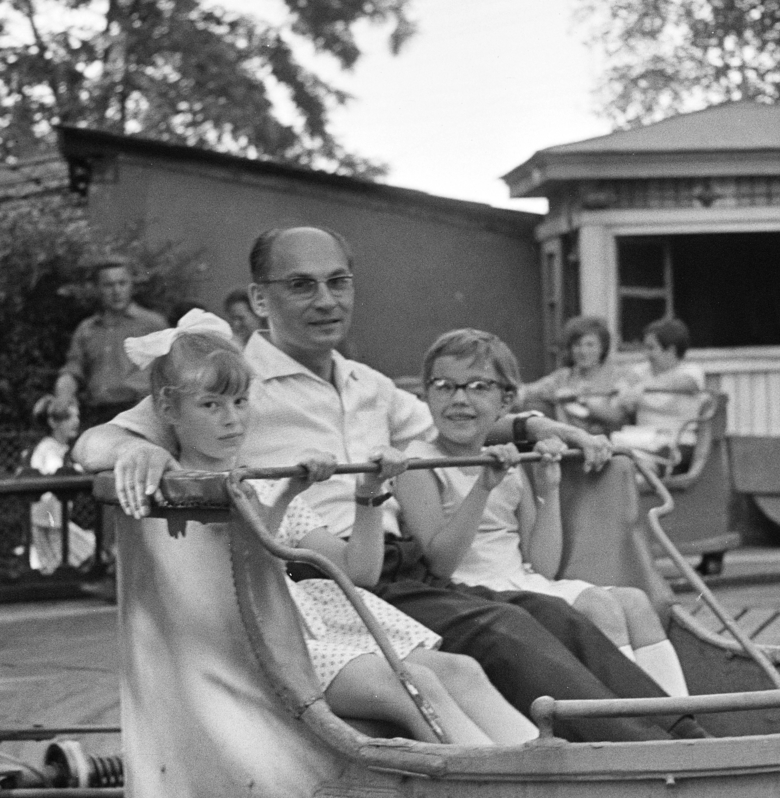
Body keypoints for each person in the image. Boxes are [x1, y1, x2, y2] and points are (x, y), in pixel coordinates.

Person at [78, 225, 708, 744]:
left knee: (545, 613)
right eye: (301, 285)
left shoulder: (367, 383)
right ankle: (641, 754)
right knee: (501, 631)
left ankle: (691, 732)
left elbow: (458, 426)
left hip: (407, 569)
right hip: (332, 578)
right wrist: (136, 452)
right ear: (261, 299)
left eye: (338, 282)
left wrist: (533, 423)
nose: (326, 300)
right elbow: (97, 443)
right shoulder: (231, 387)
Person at [126, 314, 537, 745]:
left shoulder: (261, 481)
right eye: (211, 405)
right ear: (168, 410)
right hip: (241, 641)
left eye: (241, 402)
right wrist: (284, 496)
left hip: (303, 624)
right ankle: (497, 785)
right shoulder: (178, 491)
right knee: (415, 685)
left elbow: (358, 572)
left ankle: (544, 768)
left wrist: (369, 493)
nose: (232, 419)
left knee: (461, 670)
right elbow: (238, 569)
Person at [397, 328, 690, 698]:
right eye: (444, 386)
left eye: (478, 387)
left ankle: (676, 715)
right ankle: (633, 721)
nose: (460, 399)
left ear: (506, 401)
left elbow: (543, 566)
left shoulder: (510, 460)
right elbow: (441, 563)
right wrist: (483, 487)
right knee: (601, 607)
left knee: (635, 602)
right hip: (467, 593)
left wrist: (548, 490)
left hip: (521, 581)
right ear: (426, 396)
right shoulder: (419, 463)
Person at [53, 260, 169, 428]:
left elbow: (171, 371)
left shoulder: (153, 324)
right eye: (108, 285)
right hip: (97, 416)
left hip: (139, 415)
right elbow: (73, 369)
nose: (116, 291)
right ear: (98, 289)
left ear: (132, 286)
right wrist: (62, 394)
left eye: (122, 283)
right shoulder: (87, 329)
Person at [602, 317, 708, 470]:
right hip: (641, 439)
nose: (646, 354)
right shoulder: (640, 371)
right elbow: (621, 393)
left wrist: (640, 388)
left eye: (651, 348)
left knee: (642, 466)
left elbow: (684, 384)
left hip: (677, 442)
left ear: (671, 350)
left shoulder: (691, 371)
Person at [517, 315, 622, 434]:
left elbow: (618, 417)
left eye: (590, 345)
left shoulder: (617, 376)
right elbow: (525, 391)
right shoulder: (563, 377)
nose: (583, 351)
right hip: (570, 445)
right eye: (577, 345)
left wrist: (580, 400)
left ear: (602, 348)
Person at [26, 395, 94, 574]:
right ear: (53, 422)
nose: (76, 421)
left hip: (56, 520)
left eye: (77, 416)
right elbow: (55, 470)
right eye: (69, 417)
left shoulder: (60, 448)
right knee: (81, 556)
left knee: (75, 558)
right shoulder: (48, 448)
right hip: (48, 523)